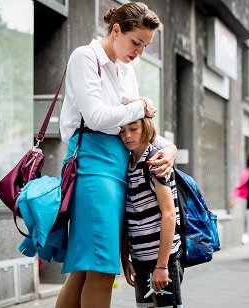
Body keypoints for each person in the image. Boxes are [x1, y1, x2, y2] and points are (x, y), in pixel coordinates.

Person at [56, 3, 177, 308]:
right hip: (93, 164)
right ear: (115, 30)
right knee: (100, 266)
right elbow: (97, 117)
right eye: (136, 42)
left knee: (87, 268)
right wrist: (142, 104)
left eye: (146, 46)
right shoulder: (85, 57)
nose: (139, 52)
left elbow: (137, 126)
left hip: (119, 164)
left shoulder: (127, 69)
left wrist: (168, 147)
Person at [119, 117, 183, 308]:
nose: (127, 135)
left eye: (133, 128)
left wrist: (162, 266)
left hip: (162, 260)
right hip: (140, 260)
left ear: (145, 127)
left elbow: (169, 214)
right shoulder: (129, 164)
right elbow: (130, 216)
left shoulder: (154, 162)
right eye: (122, 130)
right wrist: (126, 257)